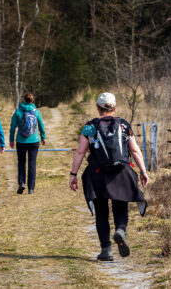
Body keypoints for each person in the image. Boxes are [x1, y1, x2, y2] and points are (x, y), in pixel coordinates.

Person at [69, 92, 149, 261]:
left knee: (101, 212)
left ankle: (106, 250)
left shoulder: (90, 127)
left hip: (98, 174)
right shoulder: (124, 125)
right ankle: (120, 230)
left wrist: (73, 174)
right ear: (114, 107)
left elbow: (80, 152)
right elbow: (134, 150)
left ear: (98, 107)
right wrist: (143, 171)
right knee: (120, 207)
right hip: (122, 172)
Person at [9, 93, 46, 194]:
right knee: (32, 163)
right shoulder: (36, 112)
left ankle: (21, 183)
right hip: (34, 140)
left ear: (24, 100)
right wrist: (43, 137)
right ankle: (31, 188)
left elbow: (12, 127)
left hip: (21, 140)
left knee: (21, 162)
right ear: (33, 101)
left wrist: (11, 140)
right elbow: (41, 125)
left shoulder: (18, 111)